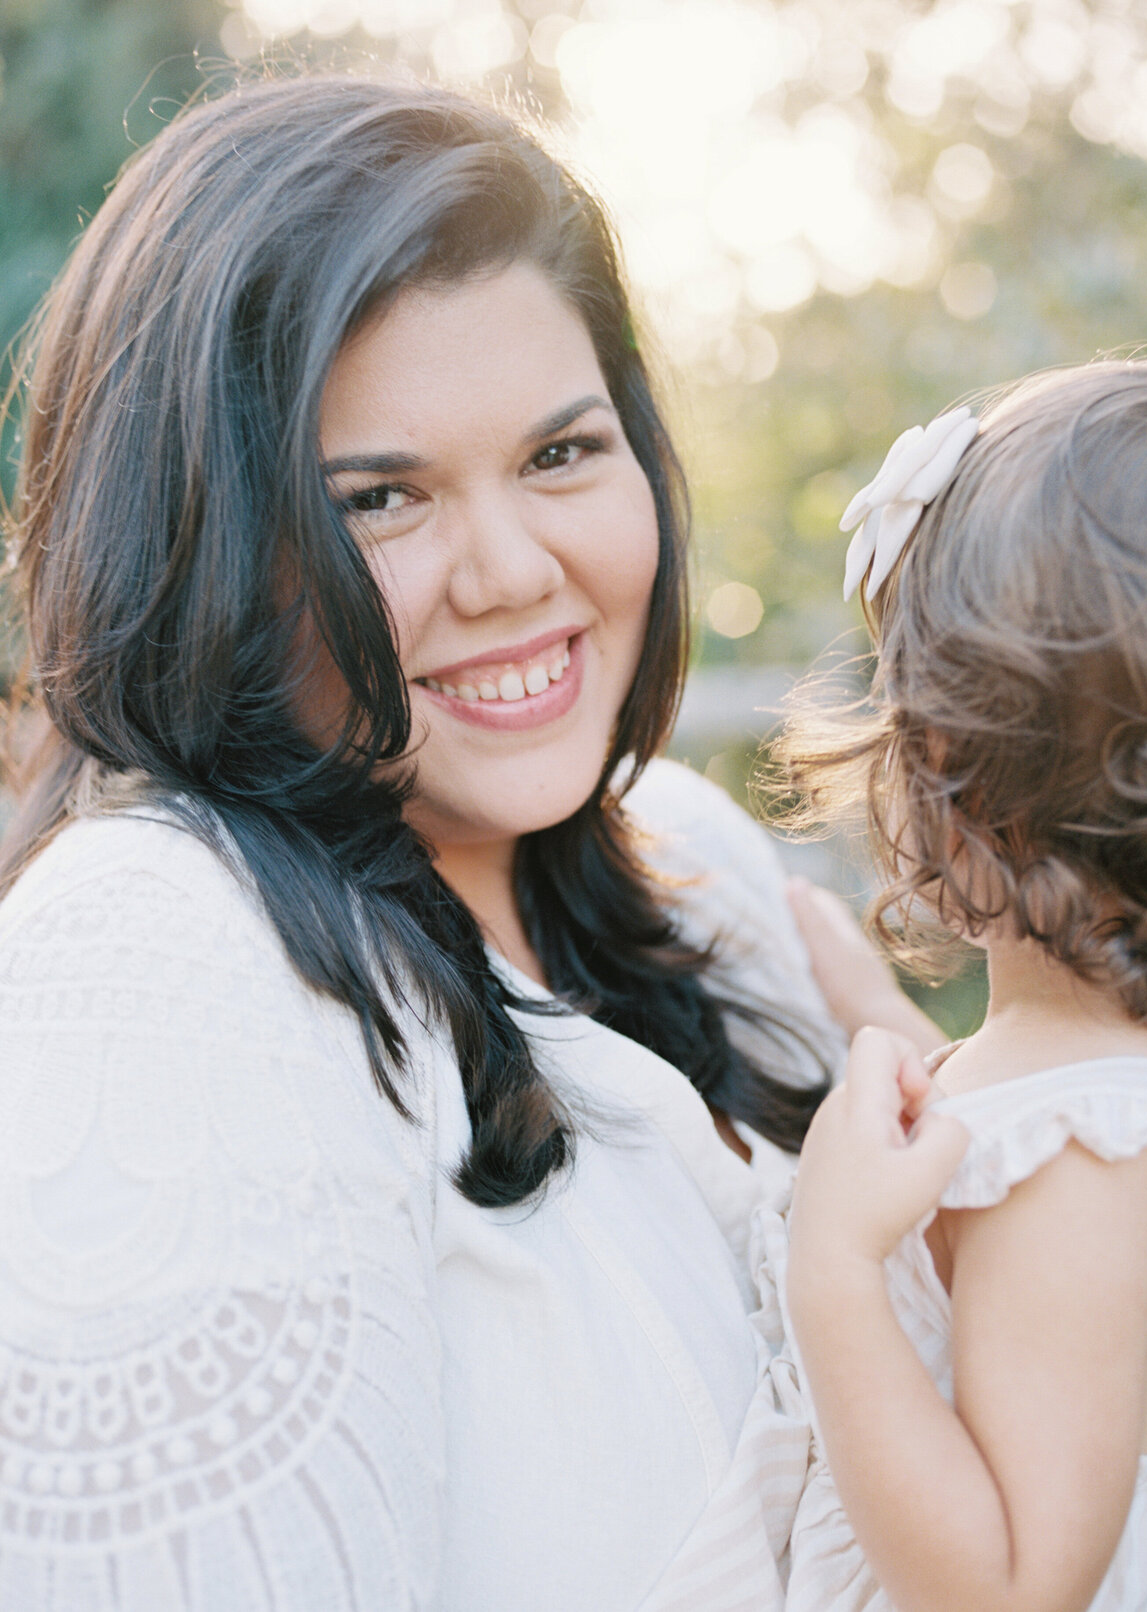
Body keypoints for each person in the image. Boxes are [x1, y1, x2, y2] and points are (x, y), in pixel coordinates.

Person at [0, 69, 939, 1611]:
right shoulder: (152, 962)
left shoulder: (698, 865)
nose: (513, 571)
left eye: (562, 455)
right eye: (379, 499)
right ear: (196, 543)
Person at [651, 358, 1147, 1611]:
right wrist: (880, 1022)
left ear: (946, 767)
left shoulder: (1078, 1168)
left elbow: (1012, 1584)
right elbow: (985, 1164)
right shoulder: (1105, 1097)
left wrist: (837, 1270)